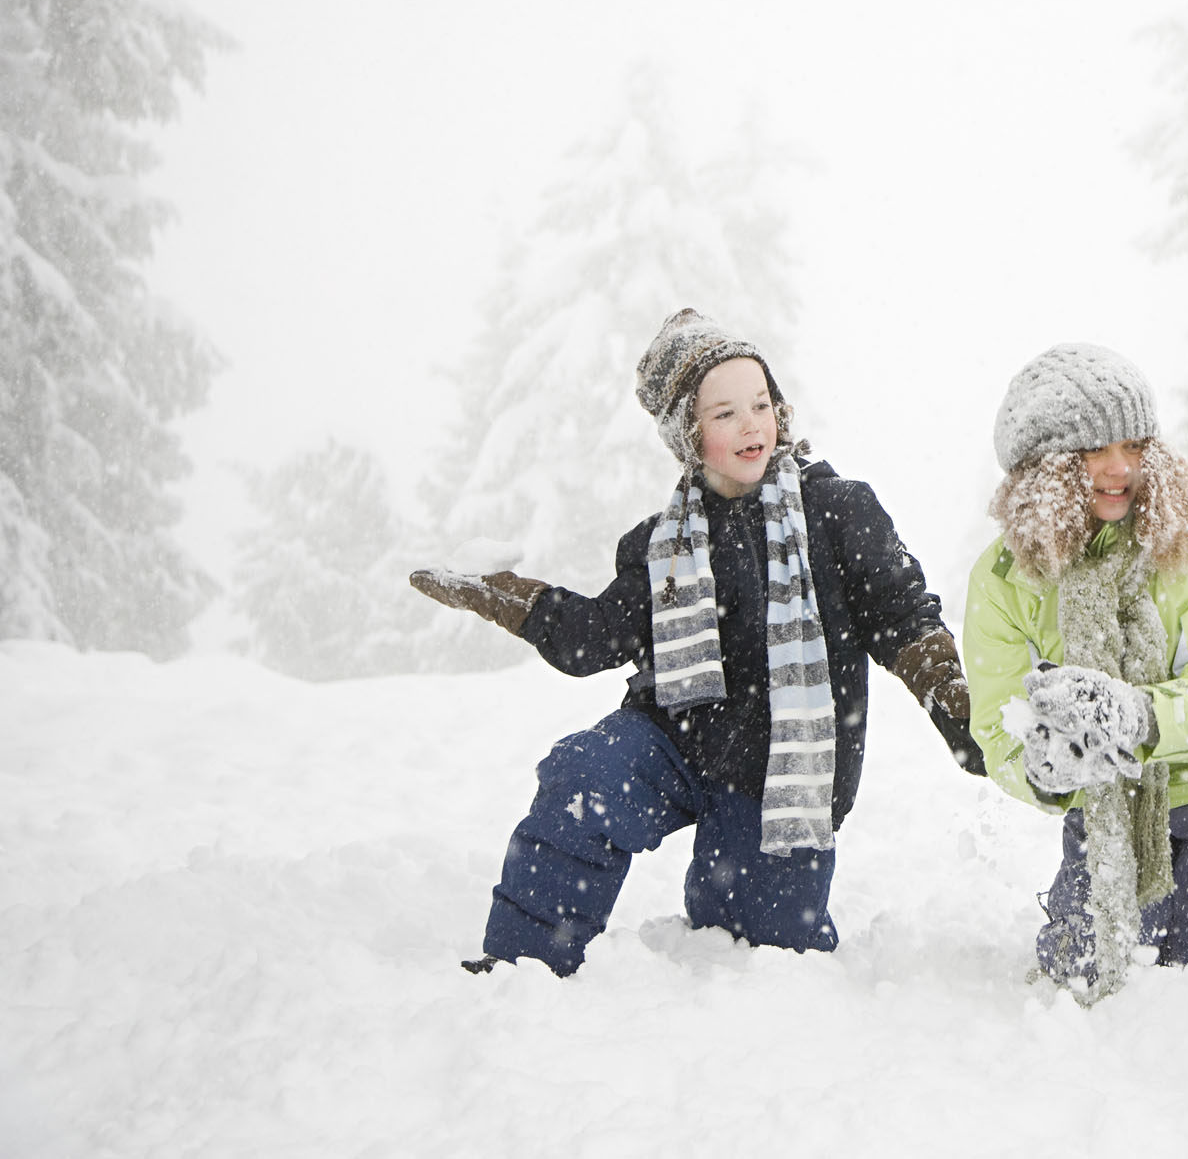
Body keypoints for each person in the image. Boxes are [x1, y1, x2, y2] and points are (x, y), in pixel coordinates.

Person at [409, 308, 983, 976]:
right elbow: (591, 640)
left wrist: (952, 700)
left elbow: (903, 616)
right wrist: (503, 593)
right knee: (583, 777)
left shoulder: (839, 512)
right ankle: (519, 970)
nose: (750, 425)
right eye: (723, 413)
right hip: (674, 739)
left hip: (781, 781)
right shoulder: (663, 544)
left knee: (756, 951)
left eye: (760, 404)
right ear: (688, 432)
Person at [962, 343, 1188, 1001]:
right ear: (1042, 468)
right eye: (1093, 451)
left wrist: (1135, 718)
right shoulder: (1003, 581)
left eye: (1135, 444)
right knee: (1088, 987)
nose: (1121, 469)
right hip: (1106, 805)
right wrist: (1043, 771)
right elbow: (999, 728)